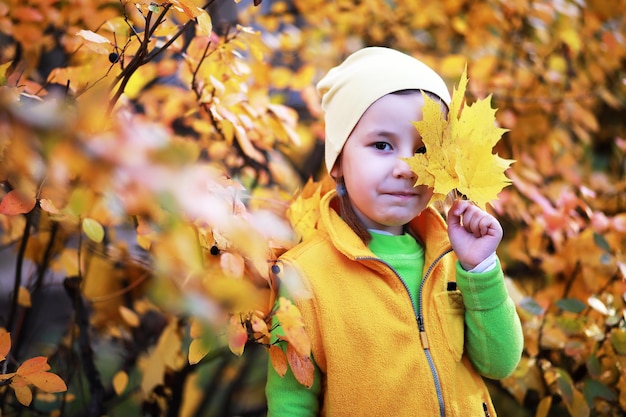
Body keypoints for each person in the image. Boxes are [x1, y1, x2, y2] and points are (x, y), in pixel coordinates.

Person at [265, 46, 524, 417]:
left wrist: (480, 270)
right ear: (338, 160)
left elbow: (499, 363)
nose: (406, 168)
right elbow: (291, 400)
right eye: (382, 145)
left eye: (423, 150)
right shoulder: (303, 276)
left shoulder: (452, 255)